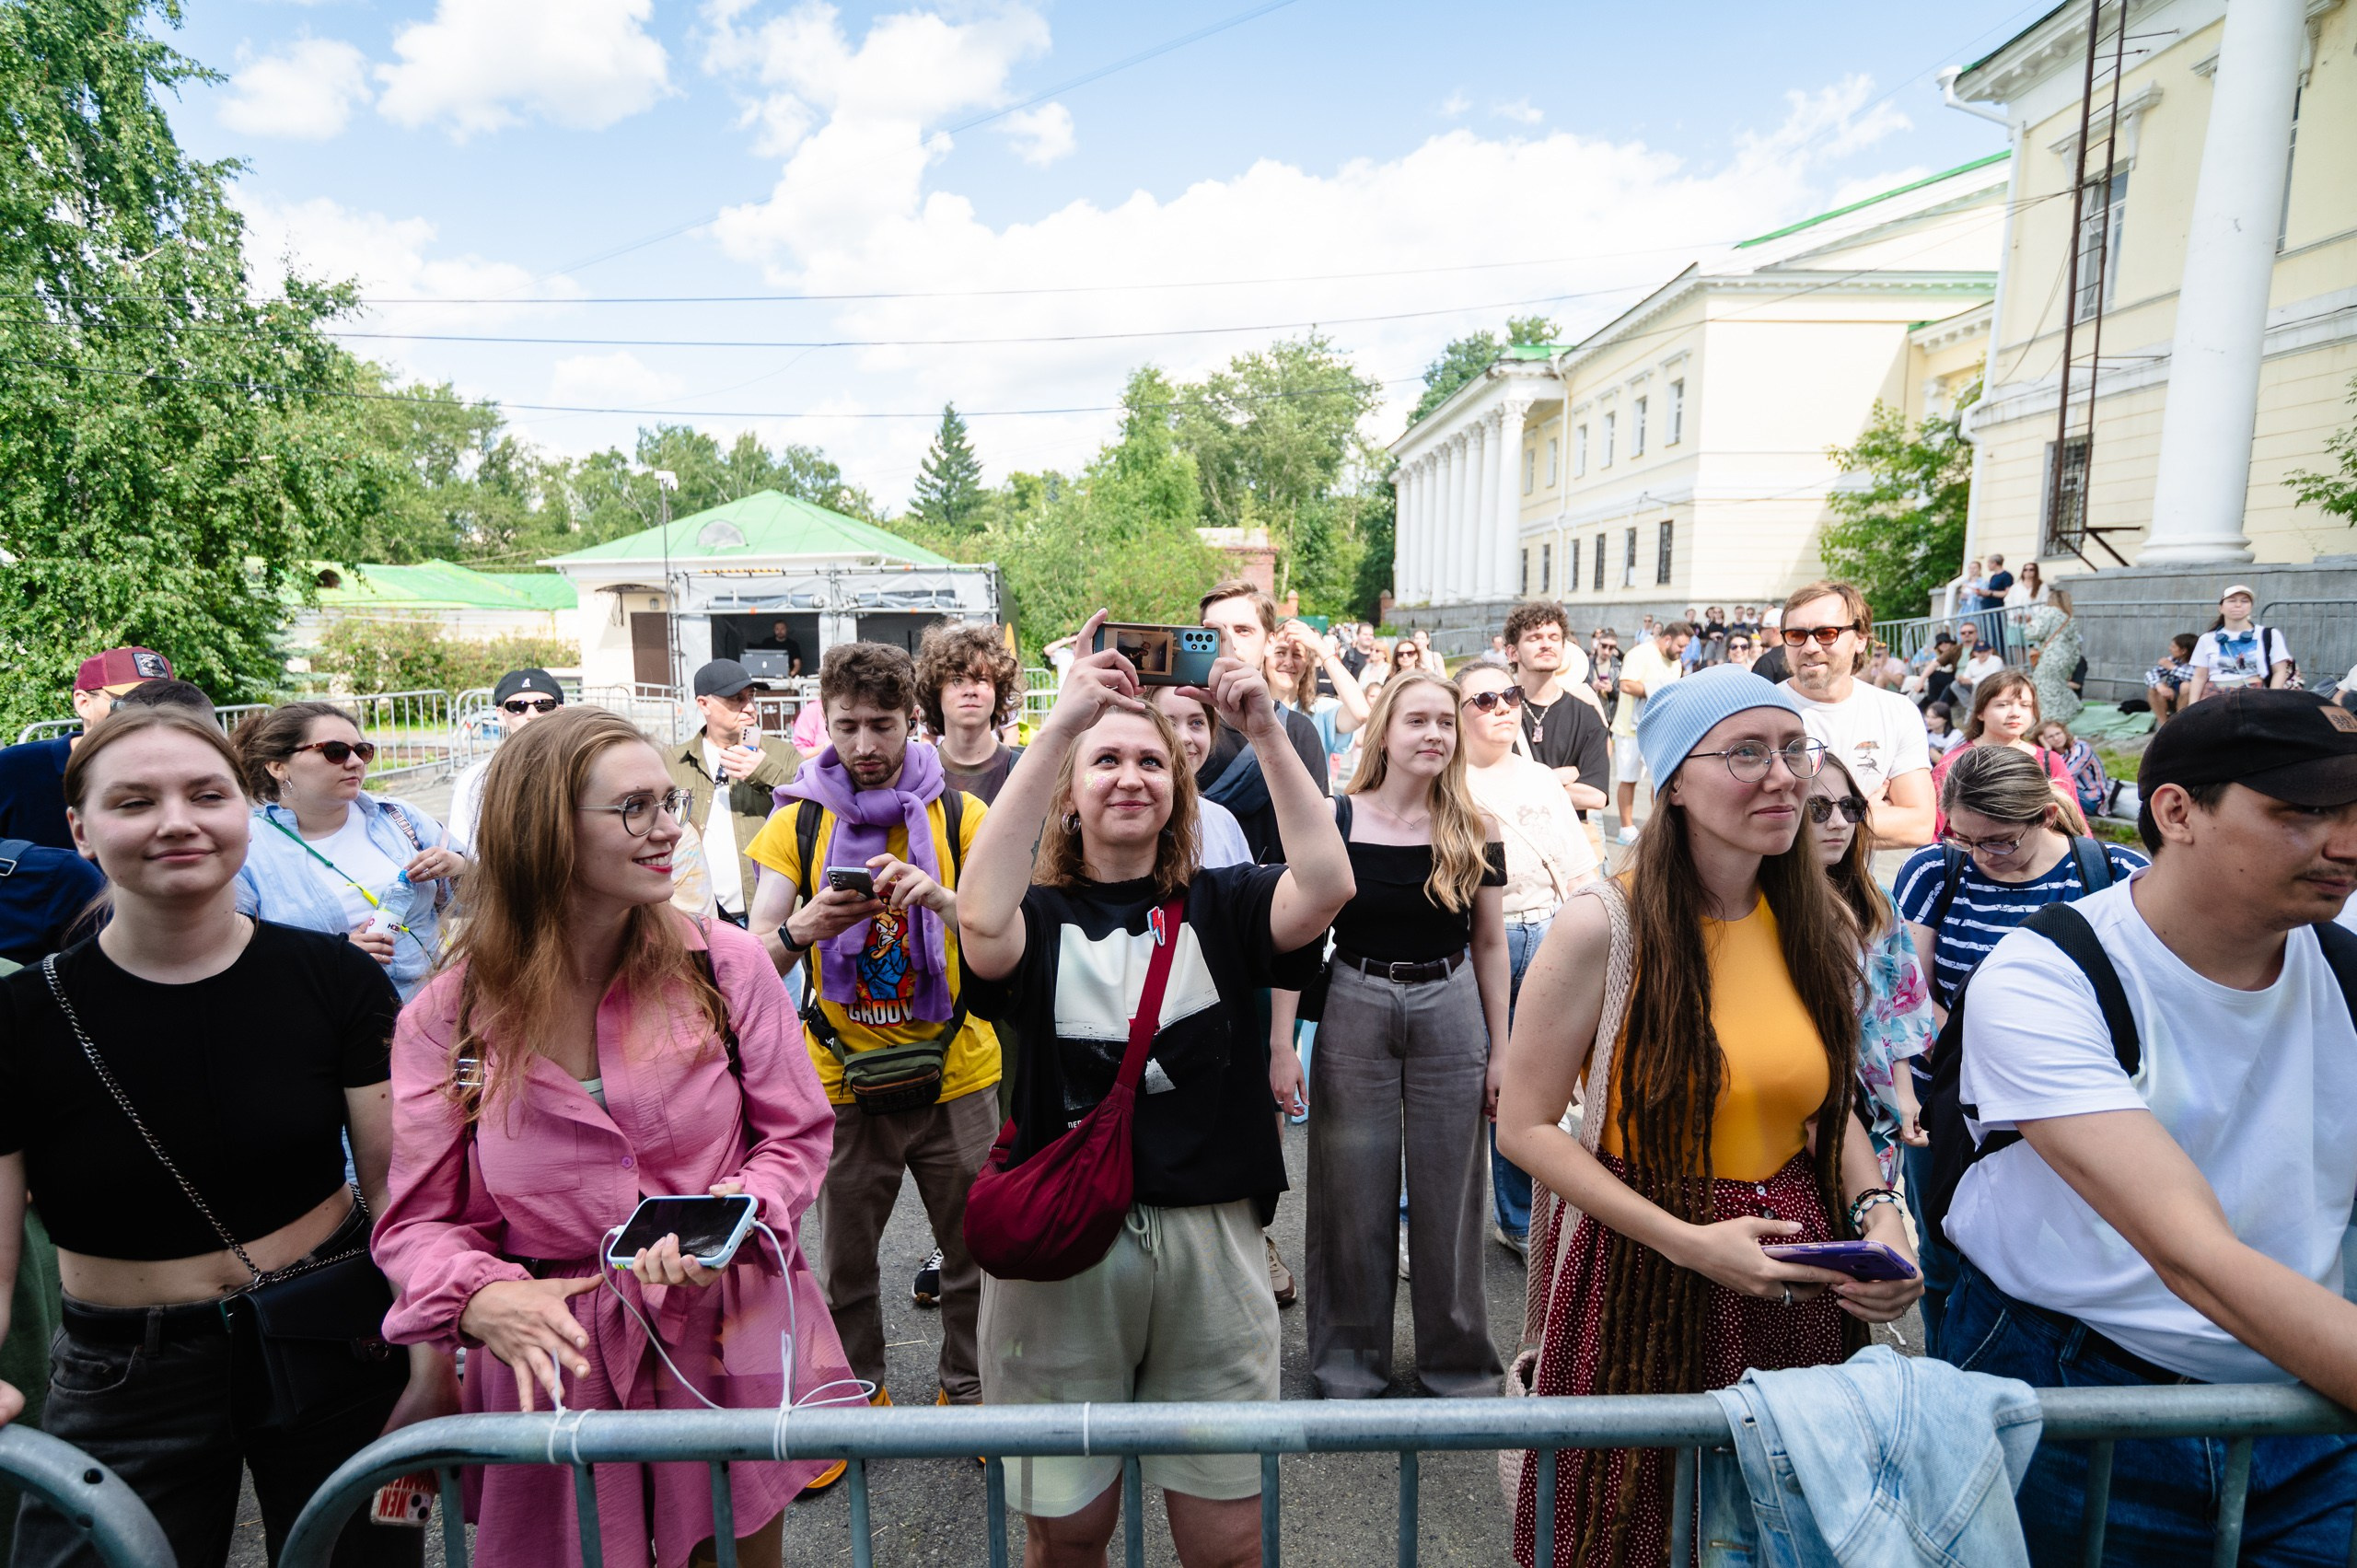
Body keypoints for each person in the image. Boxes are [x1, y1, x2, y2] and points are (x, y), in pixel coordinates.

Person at [372, 706, 853, 1566]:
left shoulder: (724, 963)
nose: (671, 827)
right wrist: (480, 1298)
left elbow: (797, 1136)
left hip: (722, 1327)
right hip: (552, 1354)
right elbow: (414, 1224)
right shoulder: (447, 1019)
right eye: (636, 807)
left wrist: (739, 1209)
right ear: (542, 831)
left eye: (670, 801)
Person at [0, 705, 447, 1568]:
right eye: (134, 801)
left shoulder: (338, 980)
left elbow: (402, 1195)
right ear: (79, 830)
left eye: (206, 793)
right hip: (125, 1374)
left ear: (243, 809)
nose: (177, 820)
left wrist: (430, 1356)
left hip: (336, 1340)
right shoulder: (19, 1017)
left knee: (372, 1558)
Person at [1498, 667, 1922, 1567]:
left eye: (1793, 748)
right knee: (1636, 1534)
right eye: (1744, 751)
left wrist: (1877, 1214)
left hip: (1798, 1288)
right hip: (1643, 1286)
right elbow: (1524, 1126)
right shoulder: (1602, 925)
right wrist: (1690, 1242)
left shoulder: (1812, 921)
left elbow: (1825, 1105)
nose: (1781, 775)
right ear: (1673, 783)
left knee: (1788, 1533)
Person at [957, 612, 1353, 1566]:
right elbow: (978, 913)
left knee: (1226, 1538)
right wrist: (1060, 724)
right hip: (1065, 1246)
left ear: (1179, 794)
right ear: (1068, 796)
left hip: (1212, 1241)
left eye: (1150, 761)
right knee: (1067, 1534)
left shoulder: (1224, 901)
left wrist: (1263, 727)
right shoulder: (1036, 917)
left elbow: (1328, 883)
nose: (1129, 774)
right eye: (1105, 762)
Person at [1943, 690, 2357, 1562]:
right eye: (2306, 812)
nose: (2347, 842)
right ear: (2176, 811)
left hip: (2311, 1403)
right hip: (2073, 1393)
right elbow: (2191, 1253)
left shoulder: (2346, 963)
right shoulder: (2044, 977)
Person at [744, 642, 1000, 1405]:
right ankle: (856, 1398)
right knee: (846, 1265)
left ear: (910, 720)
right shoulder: (796, 820)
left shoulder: (962, 814)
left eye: (882, 725)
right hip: (839, 1079)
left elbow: (1011, 935)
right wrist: (806, 925)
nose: (863, 746)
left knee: (975, 1257)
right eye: (846, 725)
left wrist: (946, 903)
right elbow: (752, 959)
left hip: (957, 1070)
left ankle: (972, 1390)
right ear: (822, 722)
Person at [1893, 745, 2148, 1348]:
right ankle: (1946, 1363)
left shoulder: (2109, 870)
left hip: (2078, 1107)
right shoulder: (1936, 872)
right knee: (1944, 1252)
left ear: (2047, 817)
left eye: (2001, 840)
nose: (1983, 856)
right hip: (1953, 1105)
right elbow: (1907, 992)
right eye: (1966, 839)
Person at [1299, 669, 1509, 1398]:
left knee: (1452, 1190)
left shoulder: (1475, 827)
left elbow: (1489, 943)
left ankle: (1457, 1365)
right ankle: (1348, 1365)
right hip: (1355, 995)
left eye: (1445, 723)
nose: (1434, 734)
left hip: (1450, 1001)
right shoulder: (1337, 817)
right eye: (1417, 720)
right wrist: (1275, 1043)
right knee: (1350, 1187)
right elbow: (1299, 936)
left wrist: (1501, 1051)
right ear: (1384, 729)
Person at [1457, 662, 1598, 1259]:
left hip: (1545, 936)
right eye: (1484, 698)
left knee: (1528, 1090)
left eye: (1509, 694)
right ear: (1458, 710)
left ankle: (1518, 1219)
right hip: (1470, 942)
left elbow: (1579, 872)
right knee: (1458, 1084)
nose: (1502, 706)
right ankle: (1425, 1222)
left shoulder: (1541, 780)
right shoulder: (1442, 779)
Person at [232, 703, 459, 1004]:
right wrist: (332, 957)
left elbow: (483, 896)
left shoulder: (397, 816)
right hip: (332, 1026)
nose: (354, 762)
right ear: (278, 766)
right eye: (335, 751)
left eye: (362, 751)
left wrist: (459, 866)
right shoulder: (246, 848)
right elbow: (236, 958)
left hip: (433, 1012)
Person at [1805, 755, 1935, 1186]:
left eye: (1850, 807)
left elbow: (1902, 1004)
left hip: (1870, 1100)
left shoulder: (1876, 899)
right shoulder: (1757, 905)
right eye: (1818, 809)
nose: (1839, 822)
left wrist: (1904, 1091)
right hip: (1799, 1105)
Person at [1778, 581, 1936, 849]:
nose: (1810, 646)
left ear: (1861, 638)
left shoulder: (1896, 712)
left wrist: (1806, 819)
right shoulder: (1762, 711)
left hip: (1856, 889)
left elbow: (1919, 826)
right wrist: (1862, 813)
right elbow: (1749, 823)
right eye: (1796, 635)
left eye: (1826, 633)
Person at [1198, 581, 1333, 860]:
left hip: (1269, 894)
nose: (1229, 641)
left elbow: (1318, 838)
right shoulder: (1174, 724)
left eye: (1243, 630)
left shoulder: (1297, 731)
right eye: (1216, 631)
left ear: (1270, 641)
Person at [665, 659, 800, 928]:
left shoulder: (782, 755)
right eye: (736, 699)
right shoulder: (674, 761)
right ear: (704, 704)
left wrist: (765, 772)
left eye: (751, 697)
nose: (750, 708)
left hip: (771, 920)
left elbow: (815, 808)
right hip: (697, 918)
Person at [0, 645, 176, 852]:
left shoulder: (185, 772)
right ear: (83, 703)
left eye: (168, 702)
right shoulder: (16, 770)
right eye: (133, 703)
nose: (153, 714)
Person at [1928, 670, 2077, 839]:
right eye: (2003, 704)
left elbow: (2073, 821)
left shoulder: (2050, 761)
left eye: (2025, 705)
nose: (2015, 713)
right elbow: (1937, 829)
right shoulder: (1954, 763)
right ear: (1980, 711)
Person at [447, 668, 563, 856]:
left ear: (559, 711)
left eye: (543, 705)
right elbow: (464, 850)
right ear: (501, 715)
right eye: (518, 706)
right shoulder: (476, 779)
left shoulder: (584, 769)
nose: (532, 714)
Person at [916, 622, 1026, 805]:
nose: (970, 691)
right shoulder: (917, 774)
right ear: (936, 691)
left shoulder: (1023, 769)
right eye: (957, 680)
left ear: (997, 691)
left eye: (981, 679)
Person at [1608, 620, 1691, 845]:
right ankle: (1626, 829)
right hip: (1630, 728)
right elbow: (1625, 684)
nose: (1682, 651)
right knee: (1629, 778)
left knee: (1662, 779)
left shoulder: (1675, 662)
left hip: (1659, 727)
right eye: (1680, 646)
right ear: (1667, 639)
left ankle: (1659, 827)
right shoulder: (1639, 654)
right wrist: (1656, 689)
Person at [1154, 688, 1253, 869]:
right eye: (1168, 724)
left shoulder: (1223, 821)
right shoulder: (1127, 814)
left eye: (1197, 723)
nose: (1184, 738)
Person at [2186, 583, 2295, 703]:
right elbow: (2200, 676)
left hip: (2253, 692)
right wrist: (2193, 705)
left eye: (2244, 601)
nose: (2238, 605)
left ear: (2251, 607)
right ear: (2221, 607)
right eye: (2231, 601)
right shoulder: (2206, 639)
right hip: (2215, 694)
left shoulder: (2270, 634)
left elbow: (2279, 671)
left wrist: (2272, 700)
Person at [2022, 589, 2084, 729]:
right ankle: (2066, 714)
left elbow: (2033, 633)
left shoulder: (2048, 612)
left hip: (2050, 657)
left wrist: (2028, 624)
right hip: (2065, 658)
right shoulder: (2069, 618)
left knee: (2044, 689)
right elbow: (2076, 647)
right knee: (2057, 686)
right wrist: (2071, 667)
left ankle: (2048, 723)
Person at [2038, 718, 2110, 822]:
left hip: (2093, 800)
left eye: (2058, 733)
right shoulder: (2054, 756)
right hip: (2069, 795)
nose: (2056, 738)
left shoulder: (2081, 748)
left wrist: (2048, 752)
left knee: (2056, 790)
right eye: (2050, 737)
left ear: (2065, 732)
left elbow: (2062, 777)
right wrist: (2047, 752)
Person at [2145, 633, 2200, 723]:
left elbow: (2194, 678)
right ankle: (2163, 726)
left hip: (2191, 701)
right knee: (2154, 688)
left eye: (2173, 647)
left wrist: (2172, 667)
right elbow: (2150, 673)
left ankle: (2178, 722)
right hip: (2172, 696)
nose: (2170, 649)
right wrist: (2159, 685)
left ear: (2183, 651)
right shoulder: (2174, 660)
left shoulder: (2198, 662)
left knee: (2186, 686)